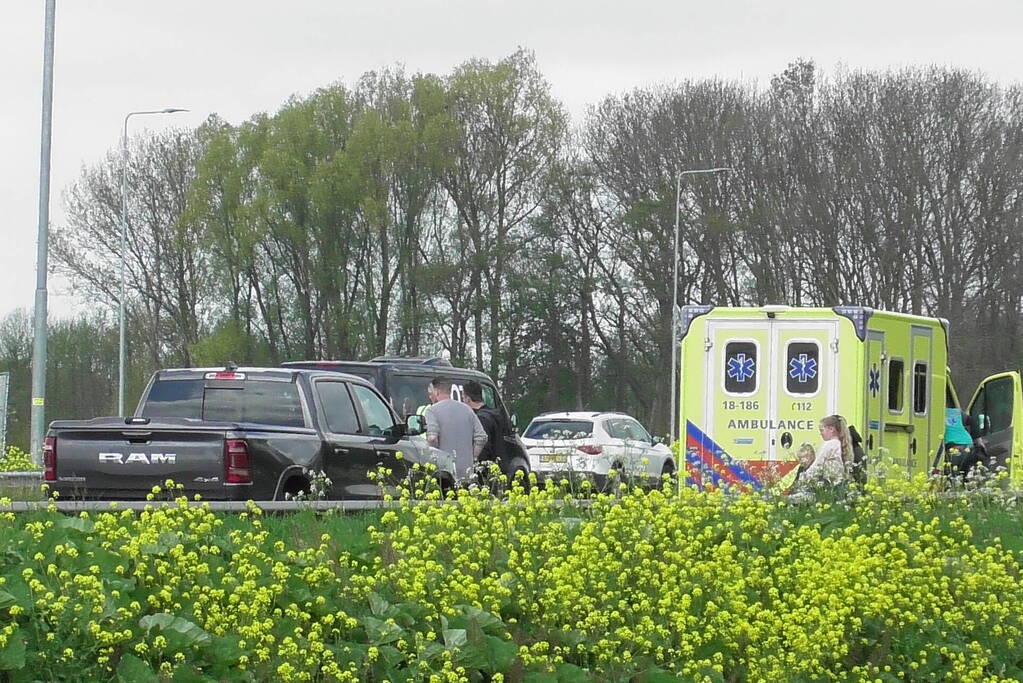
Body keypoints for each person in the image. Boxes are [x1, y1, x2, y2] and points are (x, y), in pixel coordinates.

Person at [423, 377, 487, 482]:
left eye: (431, 393)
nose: (430, 397)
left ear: (437, 392)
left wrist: (434, 458)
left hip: (443, 473)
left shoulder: (432, 411)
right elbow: (482, 437)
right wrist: (472, 457)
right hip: (467, 472)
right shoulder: (467, 409)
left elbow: (432, 438)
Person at [801, 414, 852, 488]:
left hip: (832, 485)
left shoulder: (830, 445)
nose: (820, 434)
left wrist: (804, 478)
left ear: (831, 429)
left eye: (822, 430)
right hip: (841, 483)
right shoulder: (839, 443)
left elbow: (818, 464)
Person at [462, 380, 505, 466]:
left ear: (468, 399)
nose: (463, 401)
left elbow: (484, 447)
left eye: (463, 397)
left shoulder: (480, 418)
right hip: (498, 463)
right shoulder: (494, 415)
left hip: (486, 466)